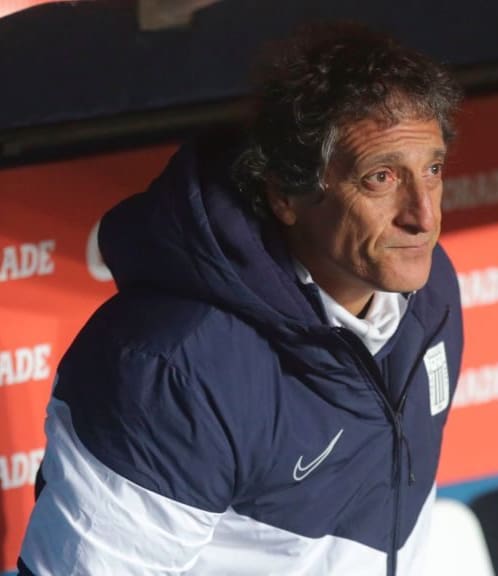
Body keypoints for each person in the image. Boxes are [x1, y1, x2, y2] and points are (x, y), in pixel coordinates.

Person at [18, 21, 464, 575]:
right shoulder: (173, 369)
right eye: (380, 177)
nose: (423, 216)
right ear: (285, 195)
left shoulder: (429, 294)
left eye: (434, 170)